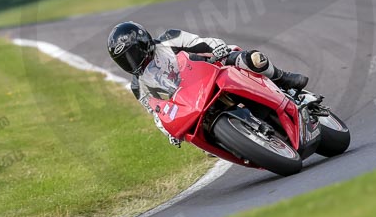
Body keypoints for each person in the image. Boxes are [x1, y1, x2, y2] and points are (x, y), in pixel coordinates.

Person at [106, 22, 308, 146]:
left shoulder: (169, 39)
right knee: (201, 140)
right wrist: (168, 131)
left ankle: (282, 78)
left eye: (132, 54)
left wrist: (216, 48)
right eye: (125, 60)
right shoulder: (137, 86)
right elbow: (156, 112)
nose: (132, 62)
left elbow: (200, 42)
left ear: (143, 42)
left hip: (212, 67)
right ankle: (240, 143)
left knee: (253, 59)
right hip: (191, 99)